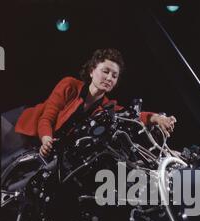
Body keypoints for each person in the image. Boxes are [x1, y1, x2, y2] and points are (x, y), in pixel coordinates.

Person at [15, 48, 177, 158]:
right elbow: (47, 118)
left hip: (48, 148)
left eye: (114, 76)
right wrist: (46, 140)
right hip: (25, 130)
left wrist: (156, 118)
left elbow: (132, 115)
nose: (109, 78)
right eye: (105, 71)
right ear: (92, 71)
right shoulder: (70, 85)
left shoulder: (107, 106)